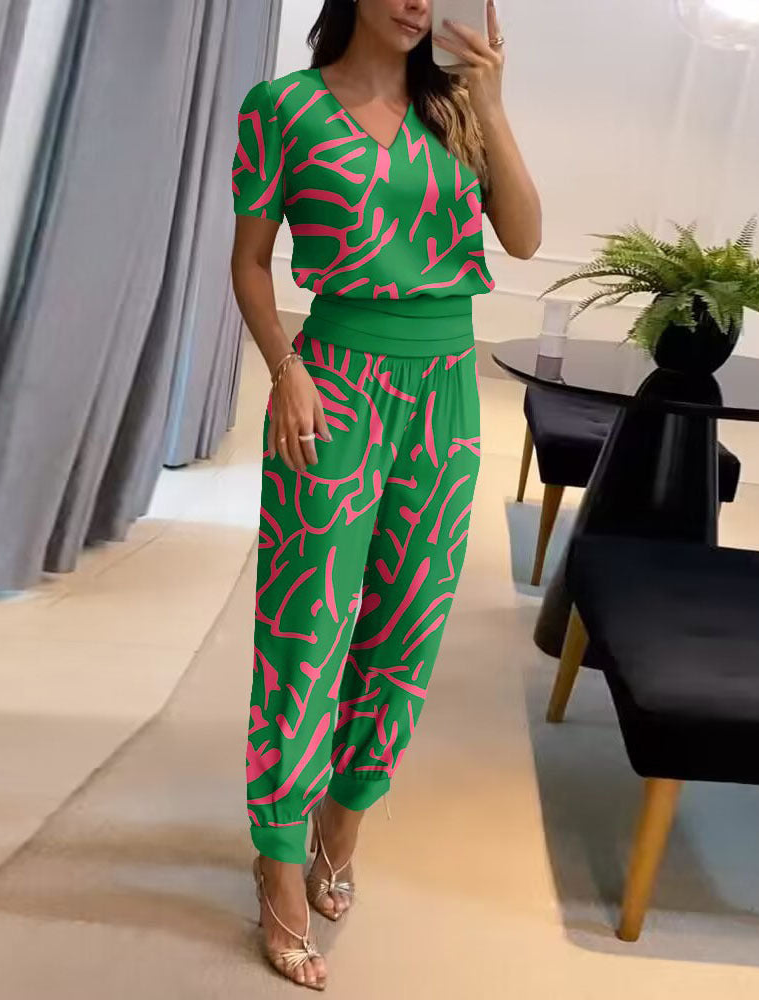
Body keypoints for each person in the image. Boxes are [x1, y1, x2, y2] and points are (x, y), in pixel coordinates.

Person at [230, 0, 541, 988]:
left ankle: (343, 820)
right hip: (334, 382)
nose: (416, 5)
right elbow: (250, 262)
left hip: (446, 389)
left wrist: (492, 103)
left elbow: (525, 238)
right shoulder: (283, 107)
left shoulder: (455, 112)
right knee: (305, 627)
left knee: (408, 624)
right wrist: (285, 368)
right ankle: (278, 861)